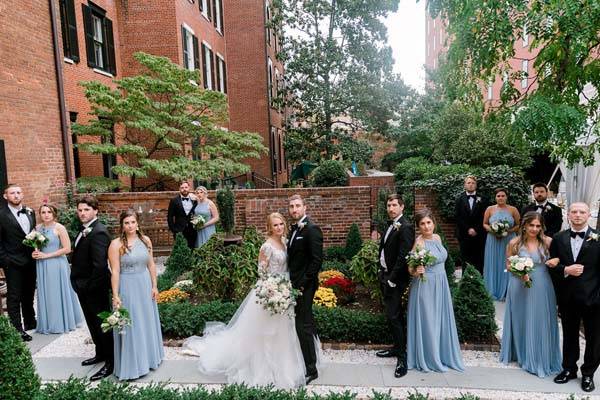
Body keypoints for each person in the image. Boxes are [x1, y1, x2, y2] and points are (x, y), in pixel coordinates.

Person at [183, 213, 307, 388]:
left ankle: (284, 367)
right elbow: (261, 272)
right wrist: (271, 290)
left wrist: (284, 289)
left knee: (283, 331)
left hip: (285, 290)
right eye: (275, 225)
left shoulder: (286, 242)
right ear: (269, 227)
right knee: (265, 333)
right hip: (269, 291)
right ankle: (262, 369)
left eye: (281, 224)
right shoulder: (266, 246)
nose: (279, 227)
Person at [500, 211, 561, 377]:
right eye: (531, 225)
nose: (534, 229)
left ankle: (540, 354)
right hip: (519, 284)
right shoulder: (514, 243)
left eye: (538, 226)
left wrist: (556, 260)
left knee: (541, 318)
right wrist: (520, 272)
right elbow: (508, 265)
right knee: (521, 317)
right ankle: (521, 352)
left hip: (542, 284)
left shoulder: (548, 242)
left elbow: (559, 259)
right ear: (524, 225)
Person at [549, 202, 600, 392]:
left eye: (582, 212)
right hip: (568, 297)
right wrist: (565, 269)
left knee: (594, 338)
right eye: (574, 212)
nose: (578, 215)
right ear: (568, 215)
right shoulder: (558, 238)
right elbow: (552, 267)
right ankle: (569, 369)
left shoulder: (598, 238)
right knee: (569, 335)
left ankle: (588, 374)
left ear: (589, 215)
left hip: (593, 298)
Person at [406, 208, 464, 373]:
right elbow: (410, 268)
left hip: (441, 284)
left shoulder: (437, 238)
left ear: (434, 223)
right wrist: (416, 271)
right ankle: (429, 358)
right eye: (422, 224)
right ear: (418, 227)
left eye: (428, 222)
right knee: (429, 320)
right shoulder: (419, 243)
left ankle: (442, 354)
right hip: (426, 286)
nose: (426, 227)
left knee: (440, 319)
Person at [109, 209, 164, 380]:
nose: (130, 225)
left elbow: (151, 265)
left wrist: (154, 286)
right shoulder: (116, 244)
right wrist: (116, 295)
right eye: (127, 223)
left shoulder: (145, 240)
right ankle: (133, 365)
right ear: (122, 225)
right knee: (131, 324)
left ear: (137, 223)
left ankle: (149, 358)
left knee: (145, 321)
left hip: (144, 285)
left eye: (133, 222)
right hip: (128, 286)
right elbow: (115, 271)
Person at [70, 195, 113, 381]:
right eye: (80, 210)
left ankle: (111, 363)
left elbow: (100, 266)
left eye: (86, 210)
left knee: (103, 325)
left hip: (95, 288)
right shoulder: (85, 230)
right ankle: (100, 354)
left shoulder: (99, 232)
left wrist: (88, 287)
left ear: (96, 211)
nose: (82, 213)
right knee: (92, 323)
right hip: (83, 286)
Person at [375, 194, 414, 378]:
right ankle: (395, 348)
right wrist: (380, 271)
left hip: (395, 280)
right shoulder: (390, 225)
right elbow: (383, 249)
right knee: (391, 317)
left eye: (394, 205)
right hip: (385, 276)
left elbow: (403, 256)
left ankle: (402, 358)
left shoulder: (405, 227)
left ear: (402, 207)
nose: (391, 208)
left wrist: (391, 278)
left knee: (395, 316)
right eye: (389, 205)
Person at [287, 194, 323, 384]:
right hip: (293, 284)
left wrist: (302, 284)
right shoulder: (293, 229)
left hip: (304, 287)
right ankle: (309, 358)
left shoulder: (311, 229)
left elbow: (317, 261)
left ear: (305, 207)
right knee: (305, 323)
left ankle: (311, 369)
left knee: (303, 326)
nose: (294, 209)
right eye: (292, 206)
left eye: (298, 206)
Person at [32, 204, 82, 334]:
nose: (46, 214)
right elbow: (36, 247)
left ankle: (62, 322)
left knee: (57, 291)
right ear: (40, 214)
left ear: (54, 214)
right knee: (47, 292)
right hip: (42, 265)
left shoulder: (59, 228)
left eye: (49, 212)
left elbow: (67, 249)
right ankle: (48, 322)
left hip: (57, 264)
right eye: (43, 212)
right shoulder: (37, 229)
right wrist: (35, 253)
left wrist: (46, 255)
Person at [0, 184, 36, 341]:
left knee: (29, 293)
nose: (16, 195)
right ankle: (17, 329)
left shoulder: (30, 211)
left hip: (31, 260)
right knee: (14, 296)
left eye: (18, 192)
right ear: (5, 196)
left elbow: (32, 234)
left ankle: (30, 322)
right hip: (12, 262)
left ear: (22, 194)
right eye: (12, 193)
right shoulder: (1, 215)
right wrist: (5, 261)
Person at [483, 188, 520, 301]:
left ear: (506, 197)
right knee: (493, 263)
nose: (501, 198)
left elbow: (519, 225)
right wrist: (493, 230)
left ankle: (507, 291)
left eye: (503, 196)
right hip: (493, 240)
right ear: (495, 197)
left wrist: (507, 231)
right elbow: (484, 224)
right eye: (498, 196)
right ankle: (492, 289)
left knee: (507, 263)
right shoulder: (489, 209)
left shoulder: (513, 209)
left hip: (508, 240)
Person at [454, 175, 488, 273]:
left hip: (479, 235)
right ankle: (466, 283)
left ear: (476, 185)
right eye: (468, 183)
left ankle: (480, 283)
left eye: (473, 183)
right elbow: (458, 217)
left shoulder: (483, 199)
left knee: (479, 260)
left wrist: (476, 229)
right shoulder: (459, 199)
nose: (471, 185)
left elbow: (484, 216)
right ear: (465, 185)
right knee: (465, 260)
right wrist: (468, 229)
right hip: (464, 235)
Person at [167, 181, 197, 248]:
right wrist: (173, 230)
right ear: (179, 189)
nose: (184, 189)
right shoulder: (174, 201)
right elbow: (170, 216)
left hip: (193, 230)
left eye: (186, 187)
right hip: (179, 230)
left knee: (192, 249)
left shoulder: (195, 200)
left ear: (189, 188)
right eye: (182, 187)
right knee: (180, 248)